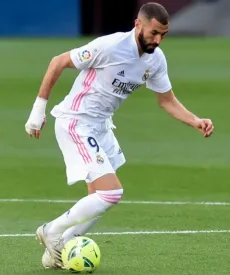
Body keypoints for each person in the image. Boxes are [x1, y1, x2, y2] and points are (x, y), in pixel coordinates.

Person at [24, 2, 214, 269]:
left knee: (99, 198)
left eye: (163, 35)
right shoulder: (110, 47)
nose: (158, 40)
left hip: (101, 126)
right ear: (138, 24)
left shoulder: (155, 59)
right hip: (76, 122)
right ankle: (52, 231)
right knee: (111, 193)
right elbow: (58, 62)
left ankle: (60, 248)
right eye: (153, 33)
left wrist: (195, 120)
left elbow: (166, 100)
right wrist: (38, 111)